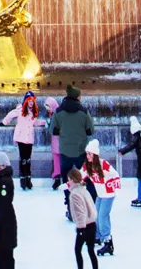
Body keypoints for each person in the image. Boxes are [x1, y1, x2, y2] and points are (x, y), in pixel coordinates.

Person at [52, 85, 94, 217]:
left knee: (67, 180)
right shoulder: (83, 111)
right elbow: (90, 130)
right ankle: (90, 206)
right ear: (77, 97)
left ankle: (71, 209)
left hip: (65, 151)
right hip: (81, 150)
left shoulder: (58, 111)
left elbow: (54, 130)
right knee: (88, 178)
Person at [0, 91, 46, 190]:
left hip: (29, 138)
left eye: (32, 101)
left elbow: (35, 122)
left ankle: (28, 178)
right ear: (26, 101)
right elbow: (11, 114)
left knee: (28, 159)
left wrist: (45, 122)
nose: (31, 103)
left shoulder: (33, 111)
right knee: (23, 159)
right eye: (29, 101)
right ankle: (23, 178)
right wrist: (4, 122)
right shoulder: (20, 110)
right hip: (21, 138)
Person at [83, 139, 119, 256]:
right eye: (87, 153)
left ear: (95, 154)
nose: (87, 156)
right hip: (100, 195)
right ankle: (98, 237)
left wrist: (112, 184)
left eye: (89, 154)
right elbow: (80, 175)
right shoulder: (87, 166)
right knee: (96, 215)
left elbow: (115, 175)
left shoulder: (103, 164)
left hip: (108, 195)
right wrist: (69, 184)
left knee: (103, 216)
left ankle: (108, 242)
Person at [67, 168, 99, 269]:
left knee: (77, 250)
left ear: (72, 180)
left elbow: (80, 212)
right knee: (91, 250)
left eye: (68, 179)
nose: (68, 182)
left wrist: (81, 228)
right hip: (92, 223)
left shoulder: (75, 194)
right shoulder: (83, 190)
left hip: (84, 226)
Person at [44, 97, 61, 191]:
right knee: (56, 160)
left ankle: (61, 177)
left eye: (49, 107)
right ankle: (57, 177)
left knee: (61, 160)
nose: (48, 109)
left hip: (61, 140)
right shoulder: (51, 114)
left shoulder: (58, 114)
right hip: (55, 140)